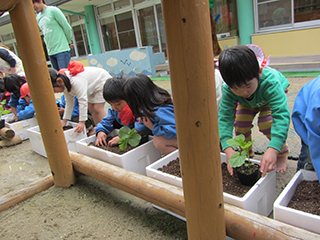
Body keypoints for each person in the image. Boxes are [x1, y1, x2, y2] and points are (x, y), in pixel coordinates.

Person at [218, 45, 290, 178]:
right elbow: (225, 117)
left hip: (267, 97)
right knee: (240, 124)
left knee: (267, 122)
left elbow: (281, 115)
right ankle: (247, 156)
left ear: (259, 73)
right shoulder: (229, 90)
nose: (243, 92)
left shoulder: (270, 83)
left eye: (248, 85)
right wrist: (227, 149)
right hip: (248, 103)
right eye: (236, 88)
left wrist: (273, 149)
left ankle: (282, 151)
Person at [122, 73, 178, 156]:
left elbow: (174, 130)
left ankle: (183, 159)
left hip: (189, 138)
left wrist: (152, 127)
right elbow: (142, 121)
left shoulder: (159, 110)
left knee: (159, 141)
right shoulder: (150, 104)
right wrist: (136, 130)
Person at [49, 61, 110, 134]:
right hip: (91, 87)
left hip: (100, 81)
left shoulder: (76, 81)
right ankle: (98, 128)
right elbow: (69, 103)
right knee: (91, 108)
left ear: (59, 81)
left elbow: (82, 101)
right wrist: (64, 121)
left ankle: (107, 129)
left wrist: (82, 122)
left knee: (97, 108)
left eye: (54, 90)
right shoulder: (65, 85)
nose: (55, 93)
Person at [292, 76, 320, 181]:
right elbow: (316, 140)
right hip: (307, 115)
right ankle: (300, 179)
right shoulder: (318, 99)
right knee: (309, 154)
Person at [95, 76, 137, 147]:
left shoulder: (136, 109)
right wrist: (100, 131)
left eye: (118, 104)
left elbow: (140, 128)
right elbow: (106, 122)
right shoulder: (113, 111)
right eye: (111, 104)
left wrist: (122, 137)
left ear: (129, 97)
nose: (114, 107)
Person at [33, 0, 74, 71]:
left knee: (64, 75)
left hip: (62, 50)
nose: (34, 8)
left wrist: (68, 42)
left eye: (34, 5)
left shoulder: (53, 10)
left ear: (40, 1)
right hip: (51, 52)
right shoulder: (38, 17)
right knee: (56, 77)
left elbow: (66, 27)